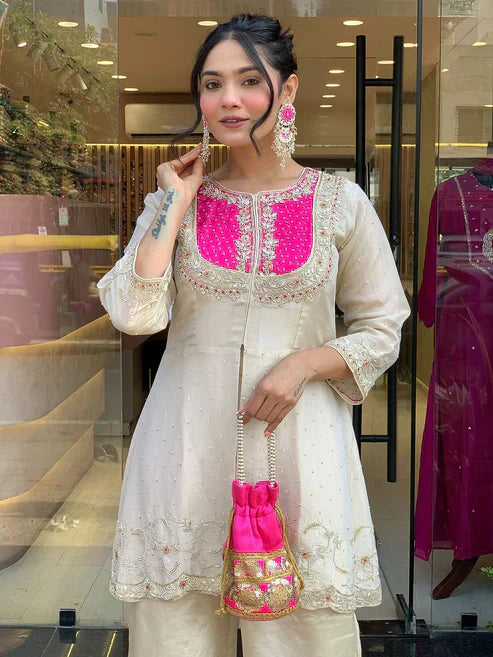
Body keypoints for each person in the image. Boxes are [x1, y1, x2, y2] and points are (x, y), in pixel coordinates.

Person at [97, 13, 410, 657]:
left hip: (301, 447)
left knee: (307, 638)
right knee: (175, 635)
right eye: (212, 84)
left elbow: (384, 325)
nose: (228, 100)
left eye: (248, 81)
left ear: (286, 90)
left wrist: (307, 363)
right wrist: (173, 204)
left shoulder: (340, 203)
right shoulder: (174, 204)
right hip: (186, 445)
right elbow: (133, 314)